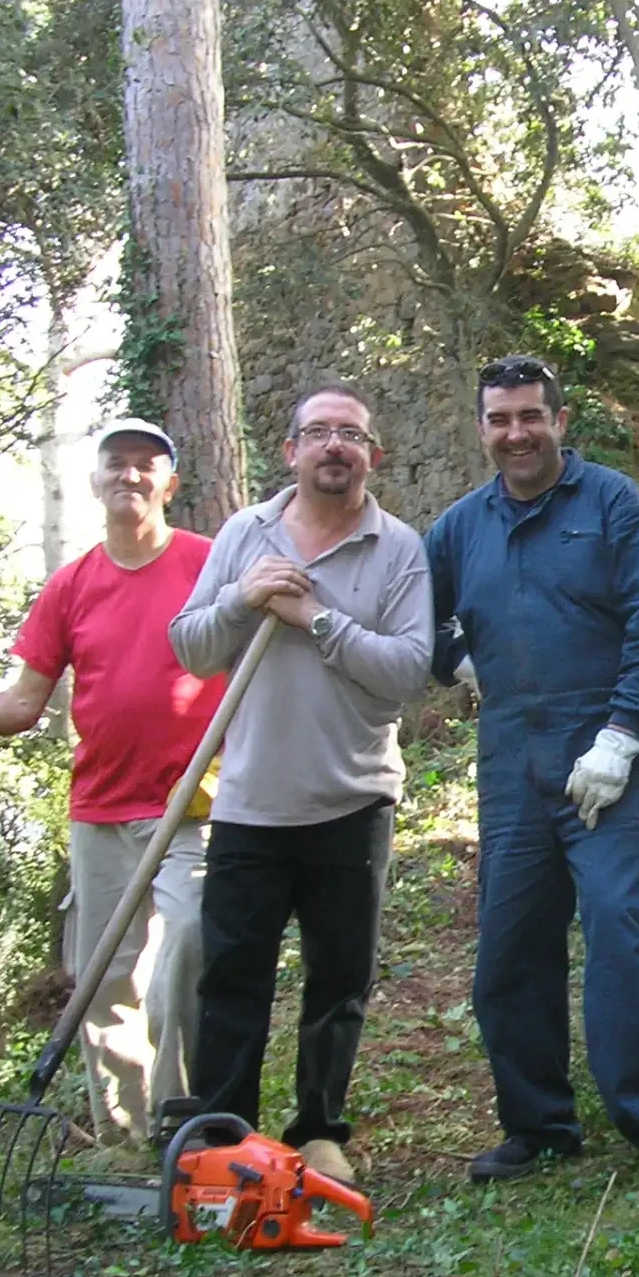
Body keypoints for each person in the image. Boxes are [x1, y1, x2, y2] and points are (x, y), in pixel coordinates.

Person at [0, 419, 224, 1145]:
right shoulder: (71, 586)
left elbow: (260, 668)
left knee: (189, 948)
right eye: (117, 464)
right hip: (100, 811)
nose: (130, 476)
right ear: (96, 482)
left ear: (170, 484)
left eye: (146, 465)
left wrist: (231, 763)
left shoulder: (208, 563)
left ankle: (184, 1130)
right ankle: (126, 1143)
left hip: (192, 809)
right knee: (103, 982)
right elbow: (20, 703)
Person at [425, 355, 639, 1180]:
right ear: (482, 429)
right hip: (511, 761)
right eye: (500, 420)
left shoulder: (615, 505)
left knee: (622, 927)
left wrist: (621, 738)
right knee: (509, 950)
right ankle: (540, 1126)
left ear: (560, 421)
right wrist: (461, 659)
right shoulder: (459, 528)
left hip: (600, 754)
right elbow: (424, 624)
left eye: (530, 417)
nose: (517, 434)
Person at [169, 383, 433, 1181]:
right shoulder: (245, 536)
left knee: (338, 980)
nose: (334, 446)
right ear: (291, 451)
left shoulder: (398, 549)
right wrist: (244, 600)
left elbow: (406, 674)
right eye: (318, 432)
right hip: (251, 801)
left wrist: (317, 619)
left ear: (371, 455)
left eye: (350, 434)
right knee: (232, 979)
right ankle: (223, 1138)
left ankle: (319, 1129)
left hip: (353, 802)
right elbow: (189, 647)